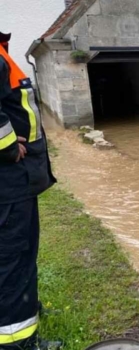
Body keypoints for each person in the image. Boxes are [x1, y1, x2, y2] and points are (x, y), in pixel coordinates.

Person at [0, 32, 58, 350]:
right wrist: (7, 147)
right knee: (13, 261)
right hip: (7, 182)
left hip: (16, 182)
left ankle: (26, 311)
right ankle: (17, 344)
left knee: (20, 258)